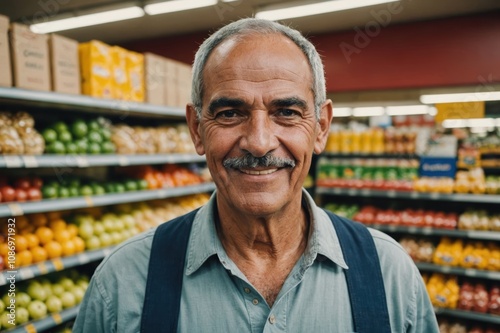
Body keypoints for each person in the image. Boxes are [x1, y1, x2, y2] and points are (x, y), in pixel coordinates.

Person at [73, 18, 439, 333]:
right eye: (230, 113)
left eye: (287, 112)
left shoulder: (390, 275)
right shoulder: (122, 285)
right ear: (197, 129)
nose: (260, 143)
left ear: (322, 127)